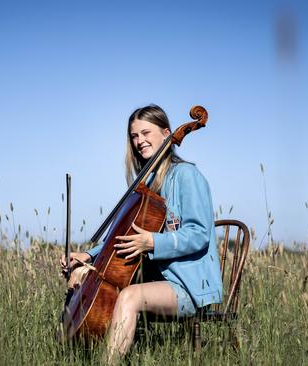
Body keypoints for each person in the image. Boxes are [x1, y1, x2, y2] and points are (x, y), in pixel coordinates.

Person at [60, 104, 222, 362]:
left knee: (130, 296)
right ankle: (72, 354)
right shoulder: (145, 183)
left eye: (146, 133)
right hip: (157, 280)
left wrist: (153, 242)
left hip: (188, 285)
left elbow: (200, 233)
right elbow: (121, 236)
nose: (139, 141)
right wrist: (88, 256)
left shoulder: (186, 176)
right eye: (134, 136)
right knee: (79, 275)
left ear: (167, 133)